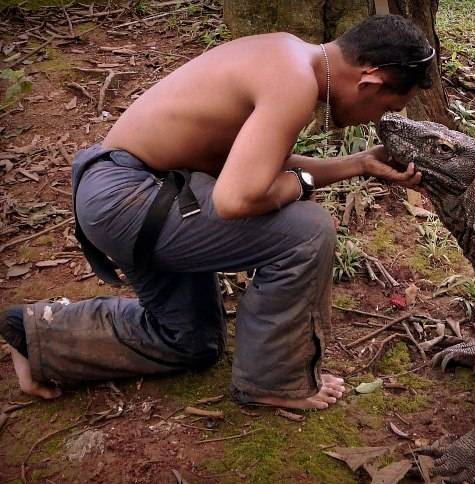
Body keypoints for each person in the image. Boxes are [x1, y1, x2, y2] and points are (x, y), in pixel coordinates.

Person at [0, 15, 434, 410]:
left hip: (135, 192)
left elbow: (252, 168)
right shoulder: (294, 83)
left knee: (190, 343)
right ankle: (275, 381)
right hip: (131, 200)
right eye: (388, 108)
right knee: (308, 229)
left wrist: (356, 164)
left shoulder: (288, 54)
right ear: (370, 81)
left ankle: (38, 335)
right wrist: (300, 187)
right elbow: (235, 199)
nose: (375, 119)